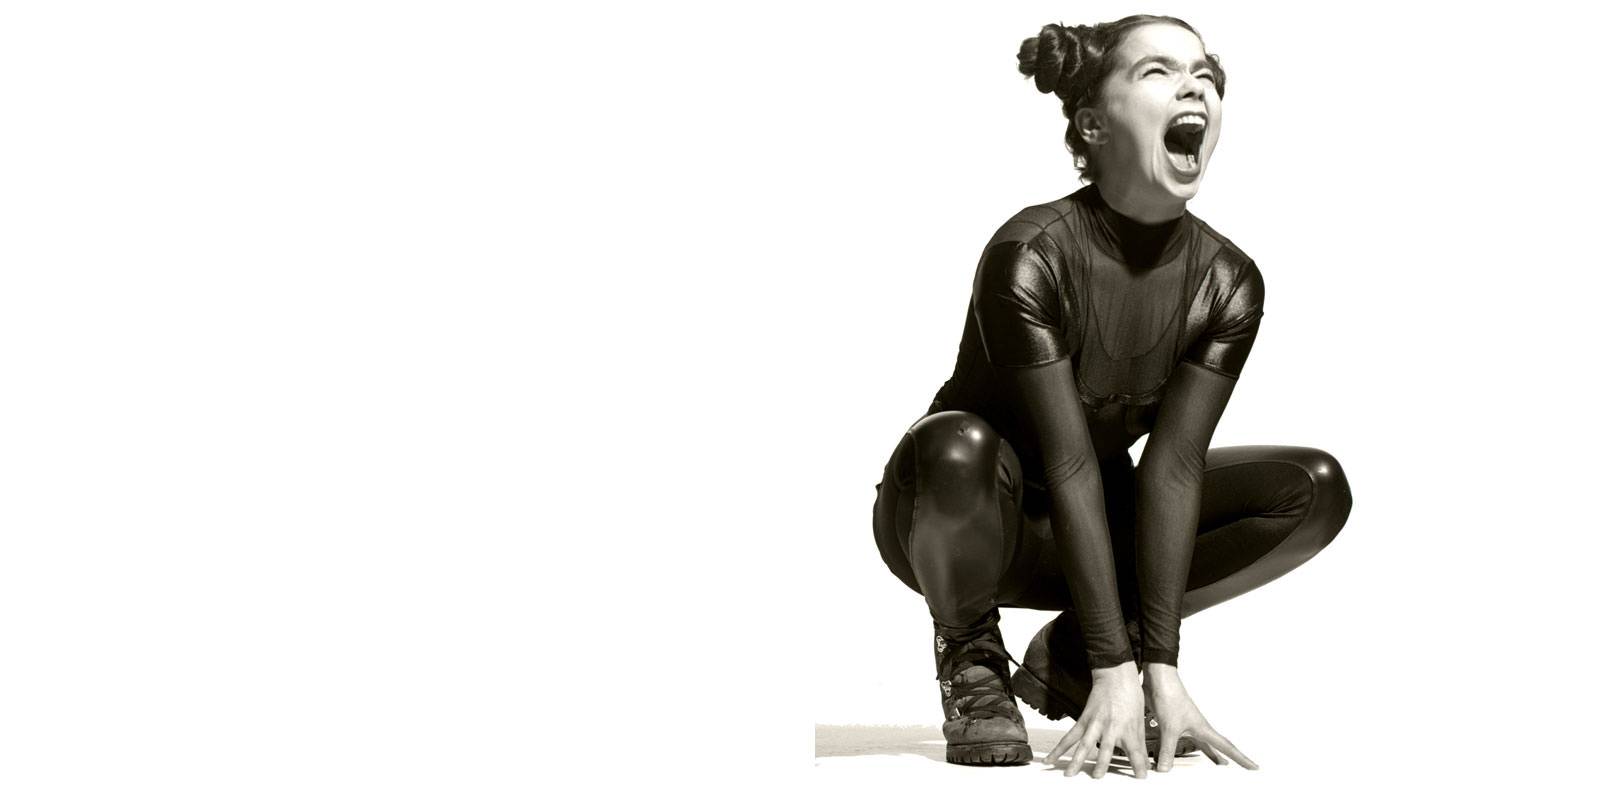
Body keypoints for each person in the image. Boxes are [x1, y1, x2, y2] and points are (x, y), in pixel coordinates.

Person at [870, 15, 1354, 777]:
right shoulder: (1028, 255)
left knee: (1311, 489)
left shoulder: (1229, 282)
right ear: (1093, 124)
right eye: (1158, 71)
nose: (1194, 86)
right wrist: (1113, 663)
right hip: (961, 518)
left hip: (1089, 528)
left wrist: (1157, 662)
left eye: (1204, 73)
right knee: (957, 443)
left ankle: (1070, 653)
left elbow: (1173, 469)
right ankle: (970, 654)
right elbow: (1064, 462)